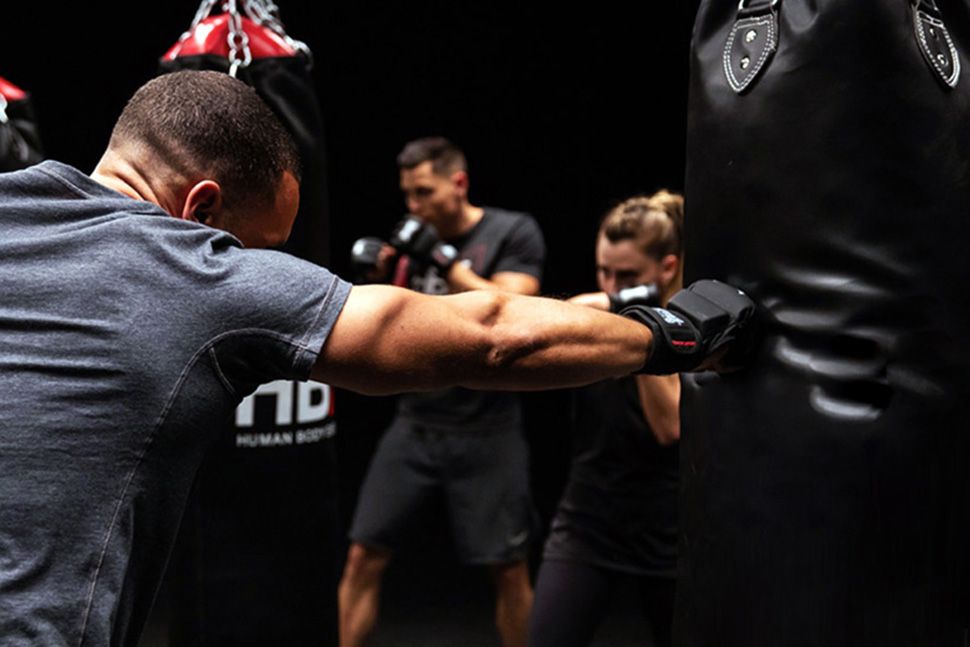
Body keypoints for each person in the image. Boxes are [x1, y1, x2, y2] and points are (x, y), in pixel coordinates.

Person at [0, 70, 749, 646]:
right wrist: (676, 334)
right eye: (255, 251)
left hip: (481, 435)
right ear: (200, 210)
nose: (251, 268)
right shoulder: (190, 268)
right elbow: (491, 331)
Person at [338, 137, 544, 647]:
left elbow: (513, 309)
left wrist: (443, 258)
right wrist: (376, 278)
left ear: (459, 184)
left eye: (424, 192)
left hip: (487, 429)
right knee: (363, 554)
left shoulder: (511, 231)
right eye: (408, 195)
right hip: (416, 425)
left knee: (509, 569)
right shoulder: (413, 242)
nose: (414, 206)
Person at [529, 191, 684, 647]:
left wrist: (642, 331)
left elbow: (669, 428)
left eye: (629, 276)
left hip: (671, 529)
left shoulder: (691, 327)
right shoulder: (598, 309)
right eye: (605, 272)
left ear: (667, 268)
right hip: (589, 519)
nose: (614, 286)